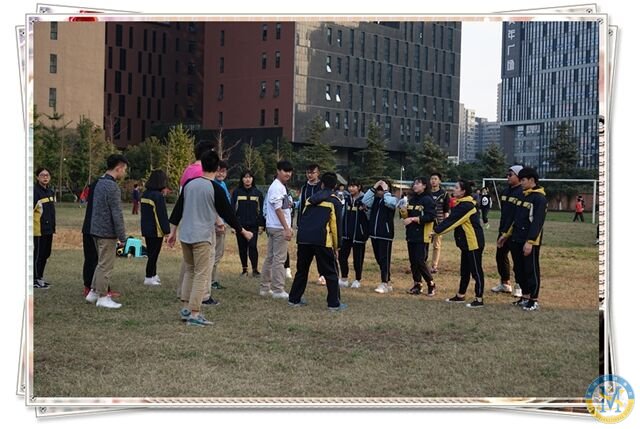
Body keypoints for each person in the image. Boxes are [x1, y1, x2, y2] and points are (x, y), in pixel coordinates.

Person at [167, 150, 253, 326]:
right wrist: (243, 231)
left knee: (190, 270)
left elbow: (177, 210)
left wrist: (172, 232)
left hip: (186, 235)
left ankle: (185, 308)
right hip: (202, 237)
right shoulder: (214, 188)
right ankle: (195, 314)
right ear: (216, 168)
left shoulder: (189, 184)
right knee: (201, 274)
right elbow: (228, 214)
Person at [288, 172, 346, 311]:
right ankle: (334, 304)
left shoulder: (310, 199)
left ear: (322, 184)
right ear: (335, 186)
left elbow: (303, 218)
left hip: (304, 239)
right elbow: (335, 226)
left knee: (302, 270)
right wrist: (337, 246)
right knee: (331, 272)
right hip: (322, 240)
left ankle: (294, 299)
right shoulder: (335, 202)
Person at [175, 140, 218, 305]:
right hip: (202, 223)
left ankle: (183, 292)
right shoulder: (202, 172)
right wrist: (218, 221)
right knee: (205, 262)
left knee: (189, 264)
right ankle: (203, 295)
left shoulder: (188, 170)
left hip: (188, 222)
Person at [498, 167, 547, 311]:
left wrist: (530, 242)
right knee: (519, 269)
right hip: (516, 238)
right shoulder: (523, 195)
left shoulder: (539, 198)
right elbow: (516, 219)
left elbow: (538, 222)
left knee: (531, 269)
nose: (521, 182)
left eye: (523, 180)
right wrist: (506, 235)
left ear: (531, 180)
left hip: (529, 241)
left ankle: (533, 299)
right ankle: (525, 297)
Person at [432, 179, 486, 308]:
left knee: (476, 271)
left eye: (456, 188)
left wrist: (436, 231)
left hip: (473, 243)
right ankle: (461, 295)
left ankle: (479, 299)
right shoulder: (461, 204)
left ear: (463, 191)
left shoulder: (466, 205)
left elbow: (452, 220)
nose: (453, 189)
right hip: (466, 244)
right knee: (465, 270)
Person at [85, 154, 129, 309]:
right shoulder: (112, 187)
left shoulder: (99, 183)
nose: (124, 173)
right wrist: (123, 236)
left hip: (96, 230)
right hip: (107, 232)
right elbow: (116, 213)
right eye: (124, 169)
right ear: (119, 168)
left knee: (100, 263)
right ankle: (103, 297)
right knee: (106, 266)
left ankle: (93, 292)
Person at [260, 160, 294, 299]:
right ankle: (278, 290)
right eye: (285, 171)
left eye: (290, 171)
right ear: (278, 171)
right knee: (279, 259)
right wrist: (286, 228)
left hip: (274, 226)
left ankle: (265, 288)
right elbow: (278, 209)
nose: (288, 174)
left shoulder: (281, 187)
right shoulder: (277, 187)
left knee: (271, 258)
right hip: (278, 227)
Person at [491, 165, 524, 297]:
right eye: (507, 174)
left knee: (518, 259)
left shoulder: (522, 192)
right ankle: (505, 283)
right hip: (503, 229)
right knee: (500, 256)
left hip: (515, 231)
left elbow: (518, 215)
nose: (508, 177)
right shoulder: (505, 191)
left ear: (519, 176)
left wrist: (509, 231)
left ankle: (520, 285)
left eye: (511, 175)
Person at [402, 177, 437, 296]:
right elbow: (407, 216)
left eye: (418, 183)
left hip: (423, 235)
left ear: (424, 186)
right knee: (413, 261)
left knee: (420, 261)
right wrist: (403, 212)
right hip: (411, 234)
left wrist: (413, 219)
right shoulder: (412, 199)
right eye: (414, 183)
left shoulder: (428, 200)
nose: (415, 185)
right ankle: (417, 284)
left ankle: (431, 283)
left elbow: (431, 217)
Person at [362, 179, 397, 294]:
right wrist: (374, 186)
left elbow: (391, 203)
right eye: (378, 190)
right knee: (379, 259)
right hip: (374, 234)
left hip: (385, 234)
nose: (379, 192)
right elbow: (365, 201)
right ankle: (388, 281)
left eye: (381, 190)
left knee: (384, 259)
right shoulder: (375, 200)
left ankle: (384, 283)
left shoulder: (391, 199)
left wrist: (386, 191)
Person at [231, 170, 264, 277]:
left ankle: (255, 270)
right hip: (240, 226)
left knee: (253, 246)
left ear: (253, 179)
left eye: (249, 177)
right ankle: (244, 269)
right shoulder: (236, 193)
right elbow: (232, 210)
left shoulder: (258, 193)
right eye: (245, 177)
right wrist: (233, 225)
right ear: (242, 179)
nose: (247, 179)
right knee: (242, 248)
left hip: (253, 225)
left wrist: (261, 225)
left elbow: (262, 210)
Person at [297, 163, 326, 285]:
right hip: (305, 224)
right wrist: (299, 222)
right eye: (308, 172)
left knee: (320, 252)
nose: (310, 175)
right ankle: (302, 276)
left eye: (312, 172)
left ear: (318, 173)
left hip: (319, 224)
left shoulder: (322, 186)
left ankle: (322, 275)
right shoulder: (304, 187)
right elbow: (301, 205)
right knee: (304, 253)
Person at [141, 170, 170, 286]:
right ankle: (149, 276)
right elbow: (161, 215)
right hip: (156, 230)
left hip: (146, 229)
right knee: (154, 254)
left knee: (151, 252)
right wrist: (166, 231)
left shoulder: (145, 194)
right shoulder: (158, 196)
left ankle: (153, 274)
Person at [338, 180, 368, 289]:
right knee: (342, 256)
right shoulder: (346, 199)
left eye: (353, 186)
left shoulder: (365, 199)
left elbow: (369, 215)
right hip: (346, 234)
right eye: (350, 186)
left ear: (359, 187)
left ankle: (357, 279)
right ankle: (344, 278)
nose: (351, 188)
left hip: (359, 234)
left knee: (358, 258)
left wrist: (364, 209)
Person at [33, 168, 56, 289]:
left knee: (46, 254)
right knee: (38, 255)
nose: (45, 177)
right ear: (37, 177)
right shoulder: (34, 192)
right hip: (38, 230)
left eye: (47, 175)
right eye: (42, 175)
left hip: (49, 229)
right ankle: (34, 279)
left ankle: (40, 277)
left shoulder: (50, 191)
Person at [211, 160, 231, 290]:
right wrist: (218, 222)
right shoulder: (212, 184)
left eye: (223, 171)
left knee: (219, 253)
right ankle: (210, 281)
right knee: (214, 253)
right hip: (216, 224)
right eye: (218, 171)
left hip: (223, 222)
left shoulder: (223, 184)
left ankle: (212, 279)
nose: (221, 174)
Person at [428, 172, 450, 274]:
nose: (433, 181)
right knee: (424, 244)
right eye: (432, 179)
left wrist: (446, 223)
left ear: (439, 181)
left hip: (439, 223)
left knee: (436, 245)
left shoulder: (444, 194)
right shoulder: (427, 193)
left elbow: (446, 210)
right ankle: (422, 263)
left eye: (435, 179)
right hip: (427, 221)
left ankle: (434, 266)